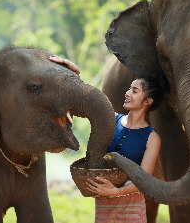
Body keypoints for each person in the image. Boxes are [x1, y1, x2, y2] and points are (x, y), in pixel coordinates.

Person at [49, 55, 162, 223]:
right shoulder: (111, 120)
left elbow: (144, 181)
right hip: (104, 208)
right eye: (129, 89)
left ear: (148, 101)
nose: (127, 93)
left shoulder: (152, 137)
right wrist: (71, 70)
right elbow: (86, 100)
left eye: (134, 91)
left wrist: (114, 192)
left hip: (132, 212)